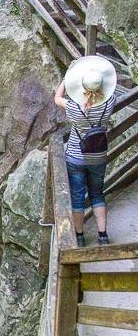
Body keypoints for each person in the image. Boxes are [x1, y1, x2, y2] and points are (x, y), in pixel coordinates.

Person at [54, 54, 118, 246]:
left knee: (77, 196)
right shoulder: (109, 102)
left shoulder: (73, 106)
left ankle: (80, 237)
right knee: (97, 194)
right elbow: (108, 90)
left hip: (76, 156)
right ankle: (103, 235)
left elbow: (57, 98)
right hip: (98, 156)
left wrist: (67, 79)